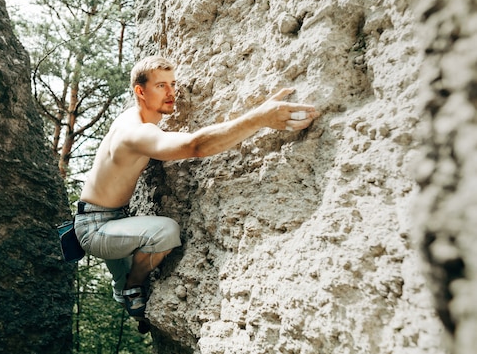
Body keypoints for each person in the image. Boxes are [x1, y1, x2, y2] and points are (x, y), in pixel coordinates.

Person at [74, 56, 319, 325]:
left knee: (128, 272)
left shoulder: (134, 121)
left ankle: (125, 294)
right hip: (96, 229)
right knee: (166, 232)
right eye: (161, 86)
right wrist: (259, 118)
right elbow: (196, 147)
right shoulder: (134, 133)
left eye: (173, 84)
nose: (171, 93)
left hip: (110, 219)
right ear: (140, 91)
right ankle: (130, 287)